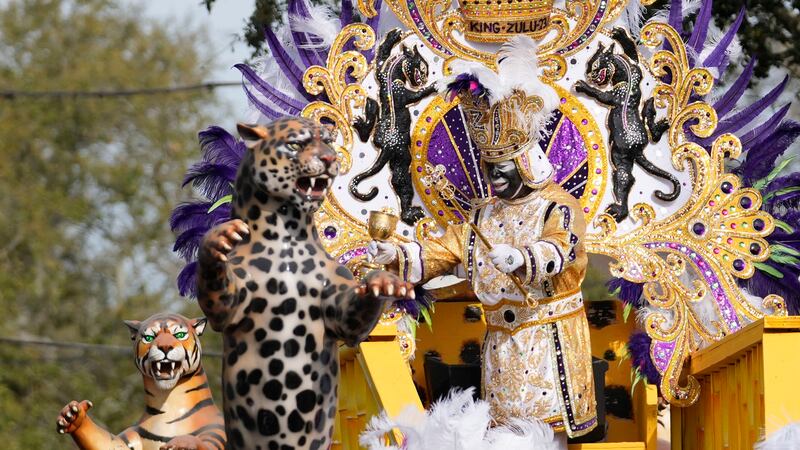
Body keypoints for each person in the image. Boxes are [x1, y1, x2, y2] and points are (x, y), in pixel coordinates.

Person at [368, 37, 597, 442]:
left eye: (503, 168)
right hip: (500, 349)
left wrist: (524, 258)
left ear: (526, 162)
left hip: (549, 345)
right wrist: (396, 254)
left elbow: (563, 247)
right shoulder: (482, 215)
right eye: (489, 168)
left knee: (544, 439)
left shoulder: (558, 206)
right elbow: (442, 250)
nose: (494, 178)